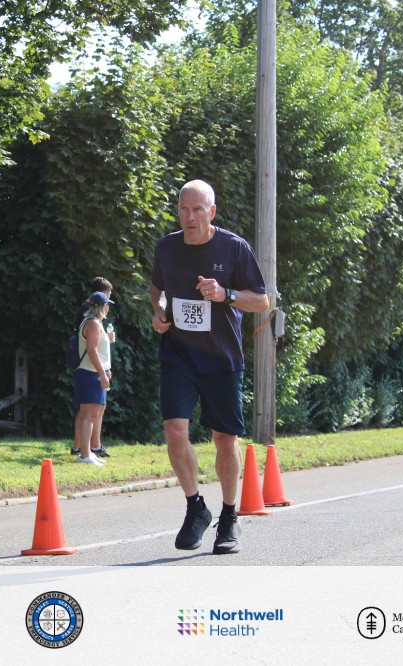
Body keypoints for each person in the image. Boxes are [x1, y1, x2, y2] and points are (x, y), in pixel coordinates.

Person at [149, 180, 268, 554]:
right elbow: (157, 288)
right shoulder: (167, 247)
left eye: (197, 209)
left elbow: (261, 301)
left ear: (212, 212)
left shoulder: (233, 248)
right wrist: (160, 311)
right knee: (174, 431)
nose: (190, 217)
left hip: (221, 358)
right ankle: (195, 507)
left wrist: (226, 294)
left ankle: (229, 516)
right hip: (179, 355)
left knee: (224, 439)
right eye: (183, 209)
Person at [72, 277, 115, 458]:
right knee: (88, 414)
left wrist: (105, 370)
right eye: (107, 303)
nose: (108, 307)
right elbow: (91, 350)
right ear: (103, 305)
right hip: (90, 372)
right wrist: (103, 374)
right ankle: (85, 453)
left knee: (90, 413)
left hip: (93, 371)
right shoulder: (93, 322)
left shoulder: (92, 321)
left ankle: (88, 452)